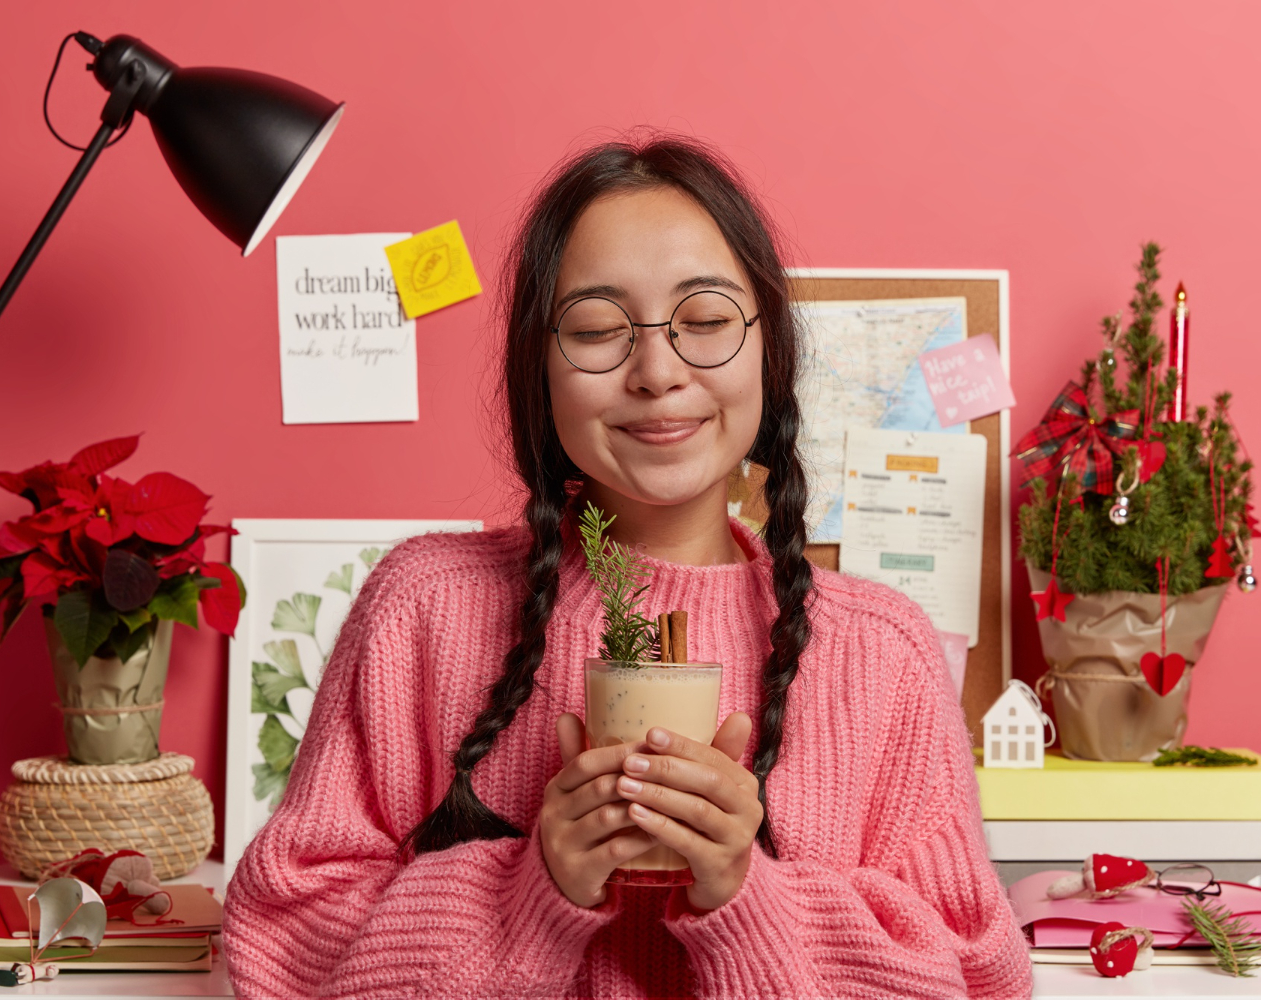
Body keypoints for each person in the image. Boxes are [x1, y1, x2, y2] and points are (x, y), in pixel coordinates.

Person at [222, 135, 1034, 998]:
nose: (656, 371)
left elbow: (978, 977)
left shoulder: (880, 655)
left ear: (770, 349)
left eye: (708, 321)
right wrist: (532, 891)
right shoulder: (423, 611)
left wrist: (746, 898)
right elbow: (282, 945)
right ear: (540, 367)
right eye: (600, 329)